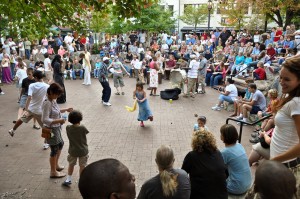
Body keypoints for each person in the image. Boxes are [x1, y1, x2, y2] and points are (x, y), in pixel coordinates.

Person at [270, 56, 300, 197]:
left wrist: (275, 161)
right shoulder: (292, 99)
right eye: (281, 77)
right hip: (280, 163)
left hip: (285, 166)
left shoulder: (296, 103)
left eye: (287, 79)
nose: (281, 82)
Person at [8, 70, 50, 150]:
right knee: (46, 127)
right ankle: (46, 143)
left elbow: (29, 97)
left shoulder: (32, 85)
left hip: (31, 109)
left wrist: (26, 108)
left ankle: (12, 130)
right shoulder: (47, 86)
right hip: (40, 111)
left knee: (21, 119)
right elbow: (48, 98)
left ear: (36, 77)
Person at [182, 129, 228, 199]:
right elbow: (226, 173)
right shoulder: (218, 153)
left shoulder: (192, 156)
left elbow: (183, 174)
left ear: (195, 142)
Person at [42, 83, 73, 178]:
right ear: (51, 92)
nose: (58, 96)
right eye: (57, 94)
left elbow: (56, 111)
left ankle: (56, 165)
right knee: (54, 149)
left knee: (60, 144)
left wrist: (66, 109)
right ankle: (53, 171)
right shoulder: (47, 102)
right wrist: (59, 120)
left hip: (56, 127)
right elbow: (44, 119)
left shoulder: (52, 100)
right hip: (50, 129)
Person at [220, 124, 252, 195]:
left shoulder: (225, 152)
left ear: (224, 136)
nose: (220, 135)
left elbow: (218, 168)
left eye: (221, 134)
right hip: (248, 184)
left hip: (236, 188)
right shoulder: (239, 145)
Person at [62, 110, 89, 186]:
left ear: (70, 119)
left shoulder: (68, 127)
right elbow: (86, 132)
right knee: (82, 165)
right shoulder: (82, 127)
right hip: (83, 150)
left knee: (71, 164)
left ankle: (68, 179)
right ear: (80, 119)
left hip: (73, 150)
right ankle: (81, 180)